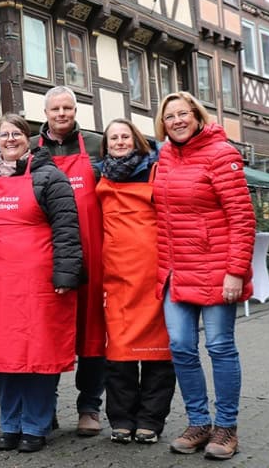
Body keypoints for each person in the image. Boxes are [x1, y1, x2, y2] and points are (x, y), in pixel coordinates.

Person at [0, 114, 83, 453]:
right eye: (4, 134)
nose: (10, 139)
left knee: (38, 354)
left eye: (16, 134)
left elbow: (67, 230)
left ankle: (36, 425)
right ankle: (10, 424)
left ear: (29, 139)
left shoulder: (50, 176)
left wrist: (66, 275)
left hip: (39, 283)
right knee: (3, 356)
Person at [152, 92, 255, 460]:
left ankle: (226, 427)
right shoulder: (163, 156)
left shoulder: (221, 153)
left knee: (219, 347)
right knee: (180, 347)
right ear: (163, 123)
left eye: (183, 114)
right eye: (170, 116)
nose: (177, 120)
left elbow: (242, 218)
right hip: (177, 272)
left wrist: (236, 272)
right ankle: (199, 422)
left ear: (196, 117)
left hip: (217, 270)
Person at [31, 86, 107, 436]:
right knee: (47, 331)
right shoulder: (32, 149)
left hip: (92, 252)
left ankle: (89, 406)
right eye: (55, 109)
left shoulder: (95, 146)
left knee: (92, 332)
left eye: (67, 108)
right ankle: (45, 408)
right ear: (45, 113)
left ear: (76, 111)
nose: (61, 114)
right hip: (46, 254)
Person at [94, 119, 175, 445]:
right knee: (119, 356)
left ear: (137, 140)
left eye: (125, 136)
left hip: (154, 276)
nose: (119, 141)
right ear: (106, 145)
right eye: (113, 137)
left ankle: (151, 421)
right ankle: (122, 420)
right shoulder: (97, 174)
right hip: (116, 278)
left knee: (158, 354)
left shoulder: (157, 170)